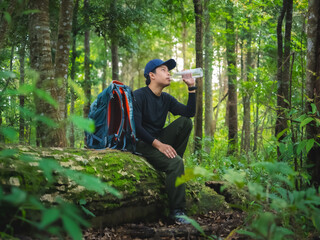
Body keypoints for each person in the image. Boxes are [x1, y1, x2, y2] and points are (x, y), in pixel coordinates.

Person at [133, 58, 196, 224]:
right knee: (175, 163)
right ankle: (177, 212)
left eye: (168, 70)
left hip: (158, 139)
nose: (168, 73)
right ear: (152, 75)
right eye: (163, 70)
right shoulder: (138, 96)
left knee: (185, 122)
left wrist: (191, 87)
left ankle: (173, 164)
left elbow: (189, 112)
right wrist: (159, 145)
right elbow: (137, 129)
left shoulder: (166, 99)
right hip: (142, 143)